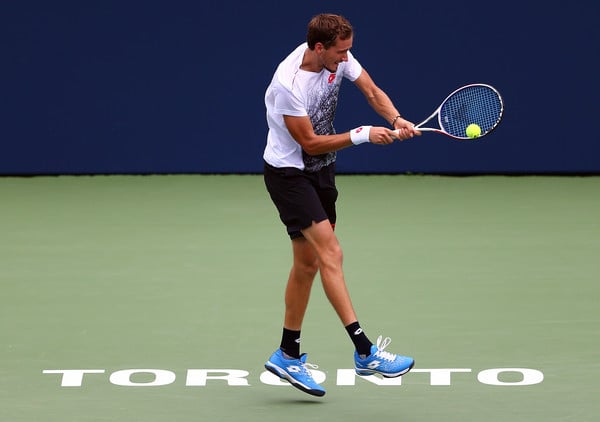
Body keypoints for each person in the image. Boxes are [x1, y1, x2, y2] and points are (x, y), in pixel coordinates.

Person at [262, 13, 420, 397]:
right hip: (290, 174)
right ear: (319, 48)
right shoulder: (289, 83)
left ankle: (287, 354)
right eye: (341, 51)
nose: (347, 57)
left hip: (321, 174)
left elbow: (371, 90)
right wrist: (363, 134)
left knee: (308, 263)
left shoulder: (341, 59)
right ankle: (365, 351)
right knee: (331, 253)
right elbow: (310, 143)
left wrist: (396, 118)